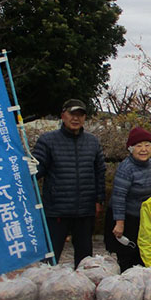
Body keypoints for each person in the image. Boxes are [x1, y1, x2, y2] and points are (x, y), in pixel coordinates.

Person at [32, 98, 106, 268]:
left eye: (80, 115)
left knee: (85, 258)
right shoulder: (48, 140)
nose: (76, 118)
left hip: (85, 209)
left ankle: (82, 291)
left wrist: (99, 199)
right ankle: (44, 287)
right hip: (57, 209)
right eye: (72, 114)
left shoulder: (92, 141)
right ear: (63, 115)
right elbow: (39, 169)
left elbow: (99, 172)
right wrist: (31, 167)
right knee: (50, 258)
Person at [106, 126, 151, 271]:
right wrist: (119, 223)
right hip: (126, 218)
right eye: (138, 145)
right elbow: (118, 197)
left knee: (143, 255)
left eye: (147, 145)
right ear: (131, 148)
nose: (143, 149)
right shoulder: (126, 168)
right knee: (127, 257)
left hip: (143, 217)